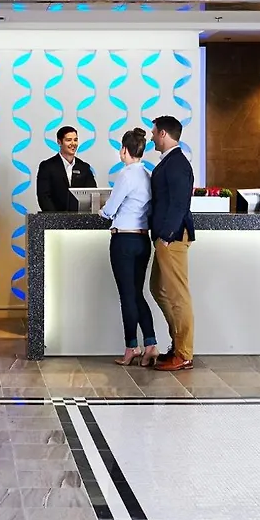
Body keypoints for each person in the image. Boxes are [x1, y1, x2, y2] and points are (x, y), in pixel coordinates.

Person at [99, 128, 157, 367]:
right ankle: (151, 344)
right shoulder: (147, 174)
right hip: (143, 240)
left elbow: (110, 209)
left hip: (123, 240)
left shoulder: (125, 174)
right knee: (137, 293)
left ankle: (131, 347)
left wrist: (103, 211)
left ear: (124, 149)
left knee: (127, 296)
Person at [147, 116, 196, 371]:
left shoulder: (177, 163)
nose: (151, 137)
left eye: (154, 132)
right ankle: (178, 345)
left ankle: (184, 353)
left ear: (163, 134)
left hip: (172, 238)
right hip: (166, 237)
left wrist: (166, 236)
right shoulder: (170, 161)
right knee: (158, 288)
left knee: (177, 295)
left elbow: (179, 203)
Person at [36, 126, 97, 211]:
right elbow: (44, 197)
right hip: (54, 217)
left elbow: (92, 194)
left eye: (75, 140)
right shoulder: (47, 166)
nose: (73, 143)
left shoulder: (84, 167)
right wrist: (55, 217)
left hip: (80, 217)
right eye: (68, 140)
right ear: (59, 142)